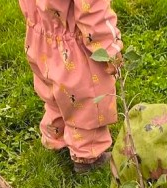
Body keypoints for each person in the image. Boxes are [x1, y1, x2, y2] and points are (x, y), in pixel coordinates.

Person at [18, 0, 121, 173]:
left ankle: (56, 137)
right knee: (87, 103)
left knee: (54, 96)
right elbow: (93, 11)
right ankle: (88, 158)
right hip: (75, 49)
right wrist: (109, 49)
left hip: (40, 38)